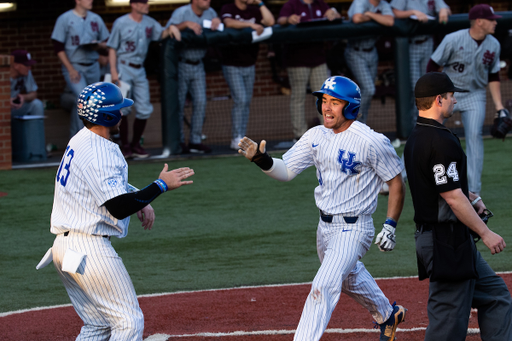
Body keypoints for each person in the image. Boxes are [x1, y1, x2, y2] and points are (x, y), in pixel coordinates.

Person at [238, 76, 407, 341]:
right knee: (349, 278)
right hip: (324, 228)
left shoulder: (372, 141)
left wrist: (390, 225)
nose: (326, 108)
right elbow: (286, 171)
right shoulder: (315, 136)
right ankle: (388, 314)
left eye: (335, 102)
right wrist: (262, 160)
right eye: (324, 101)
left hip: (355, 228)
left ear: (350, 107)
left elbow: (396, 181)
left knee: (323, 286)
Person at [45, 82, 194, 340]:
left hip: (64, 249)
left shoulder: (80, 140)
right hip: (89, 251)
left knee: (98, 325)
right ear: (107, 116)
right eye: (118, 110)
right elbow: (118, 207)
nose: (123, 115)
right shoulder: (101, 150)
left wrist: (142, 197)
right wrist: (160, 186)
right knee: (128, 321)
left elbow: (103, 183)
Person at [404, 72, 512, 341]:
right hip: (446, 243)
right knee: (448, 326)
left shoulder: (417, 136)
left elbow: (443, 187)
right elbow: (451, 197)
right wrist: (486, 234)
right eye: (452, 96)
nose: (455, 101)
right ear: (439, 100)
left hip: (451, 240)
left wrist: (471, 196)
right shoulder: (440, 141)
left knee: (496, 296)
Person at [426, 4, 504, 195]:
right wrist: (434, 96)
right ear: (479, 21)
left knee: (475, 136)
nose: (495, 22)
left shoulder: (494, 44)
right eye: (491, 19)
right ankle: (401, 173)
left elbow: (494, 76)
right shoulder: (453, 39)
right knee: (426, 131)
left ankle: (474, 192)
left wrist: (500, 107)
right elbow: (432, 65)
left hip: (475, 93)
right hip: (448, 93)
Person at [108, 0, 181, 159]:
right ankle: (125, 146)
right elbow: (112, 47)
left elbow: (161, 34)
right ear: (133, 4)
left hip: (140, 68)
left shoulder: (150, 22)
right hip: (123, 66)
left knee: (144, 108)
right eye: (143, 2)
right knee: (123, 107)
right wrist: (114, 71)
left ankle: (135, 145)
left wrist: (172, 28)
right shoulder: (121, 22)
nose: (147, 5)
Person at [277, 0, 340, 142]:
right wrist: (288, 19)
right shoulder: (292, 4)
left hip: (318, 58)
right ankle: (300, 135)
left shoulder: (320, 4)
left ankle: (329, 131)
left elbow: (333, 15)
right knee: (298, 97)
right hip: (297, 59)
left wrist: (333, 12)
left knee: (325, 97)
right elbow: (280, 20)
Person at [165, 0, 221, 154]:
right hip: (182, 63)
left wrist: (218, 21)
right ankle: (180, 141)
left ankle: (195, 141)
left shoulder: (211, 12)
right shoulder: (181, 12)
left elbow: (217, 28)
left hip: (199, 64)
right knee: (180, 103)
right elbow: (167, 31)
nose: (208, 1)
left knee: (201, 102)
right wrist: (186, 24)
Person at [220, 0, 275, 150]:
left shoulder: (254, 10)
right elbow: (229, 22)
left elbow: (270, 21)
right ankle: (236, 137)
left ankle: (241, 136)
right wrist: (251, 25)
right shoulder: (228, 7)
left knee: (246, 101)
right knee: (241, 99)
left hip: (250, 63)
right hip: (232, 63)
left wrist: (260, 3)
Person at [51, 0, 110, 138]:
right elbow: (57, 47)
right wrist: (70, 69)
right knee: (84, 100)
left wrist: (99, 48)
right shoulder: (65, 18)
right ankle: (81, 138)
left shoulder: (96, 18)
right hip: (75, 66)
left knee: (93, 102)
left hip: (93, 65)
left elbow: (107, 42)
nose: (91, 1)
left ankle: (89, 137)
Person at [390, 0, 451, 127]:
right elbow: (394, 12)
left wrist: (444, 10)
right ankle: (415, 125)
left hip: (427, 43)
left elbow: (446, 10)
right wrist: (412, 12)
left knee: (430, 86)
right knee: (415, 88)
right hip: (410, 45)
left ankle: (431, 122)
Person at [345, 0, 394, 124]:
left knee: (367, 92)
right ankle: (351, 121)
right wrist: (378, 18)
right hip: (356, 51)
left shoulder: (384, 5)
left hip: (372, 52)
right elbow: (357, 18)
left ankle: (361, 125)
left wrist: (370, 15)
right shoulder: (360, 2)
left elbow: (389, 21)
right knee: (369, 89)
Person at [10, 50, 44, 117]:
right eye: (26, 65)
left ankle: (35, 127)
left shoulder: (26, 73)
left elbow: (34, 93)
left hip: (16, 107)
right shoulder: (3, 73)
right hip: (3, 108)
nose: (29, 68)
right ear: (16, 65)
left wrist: (23, 97)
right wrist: (5, 101)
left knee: (37, 104)